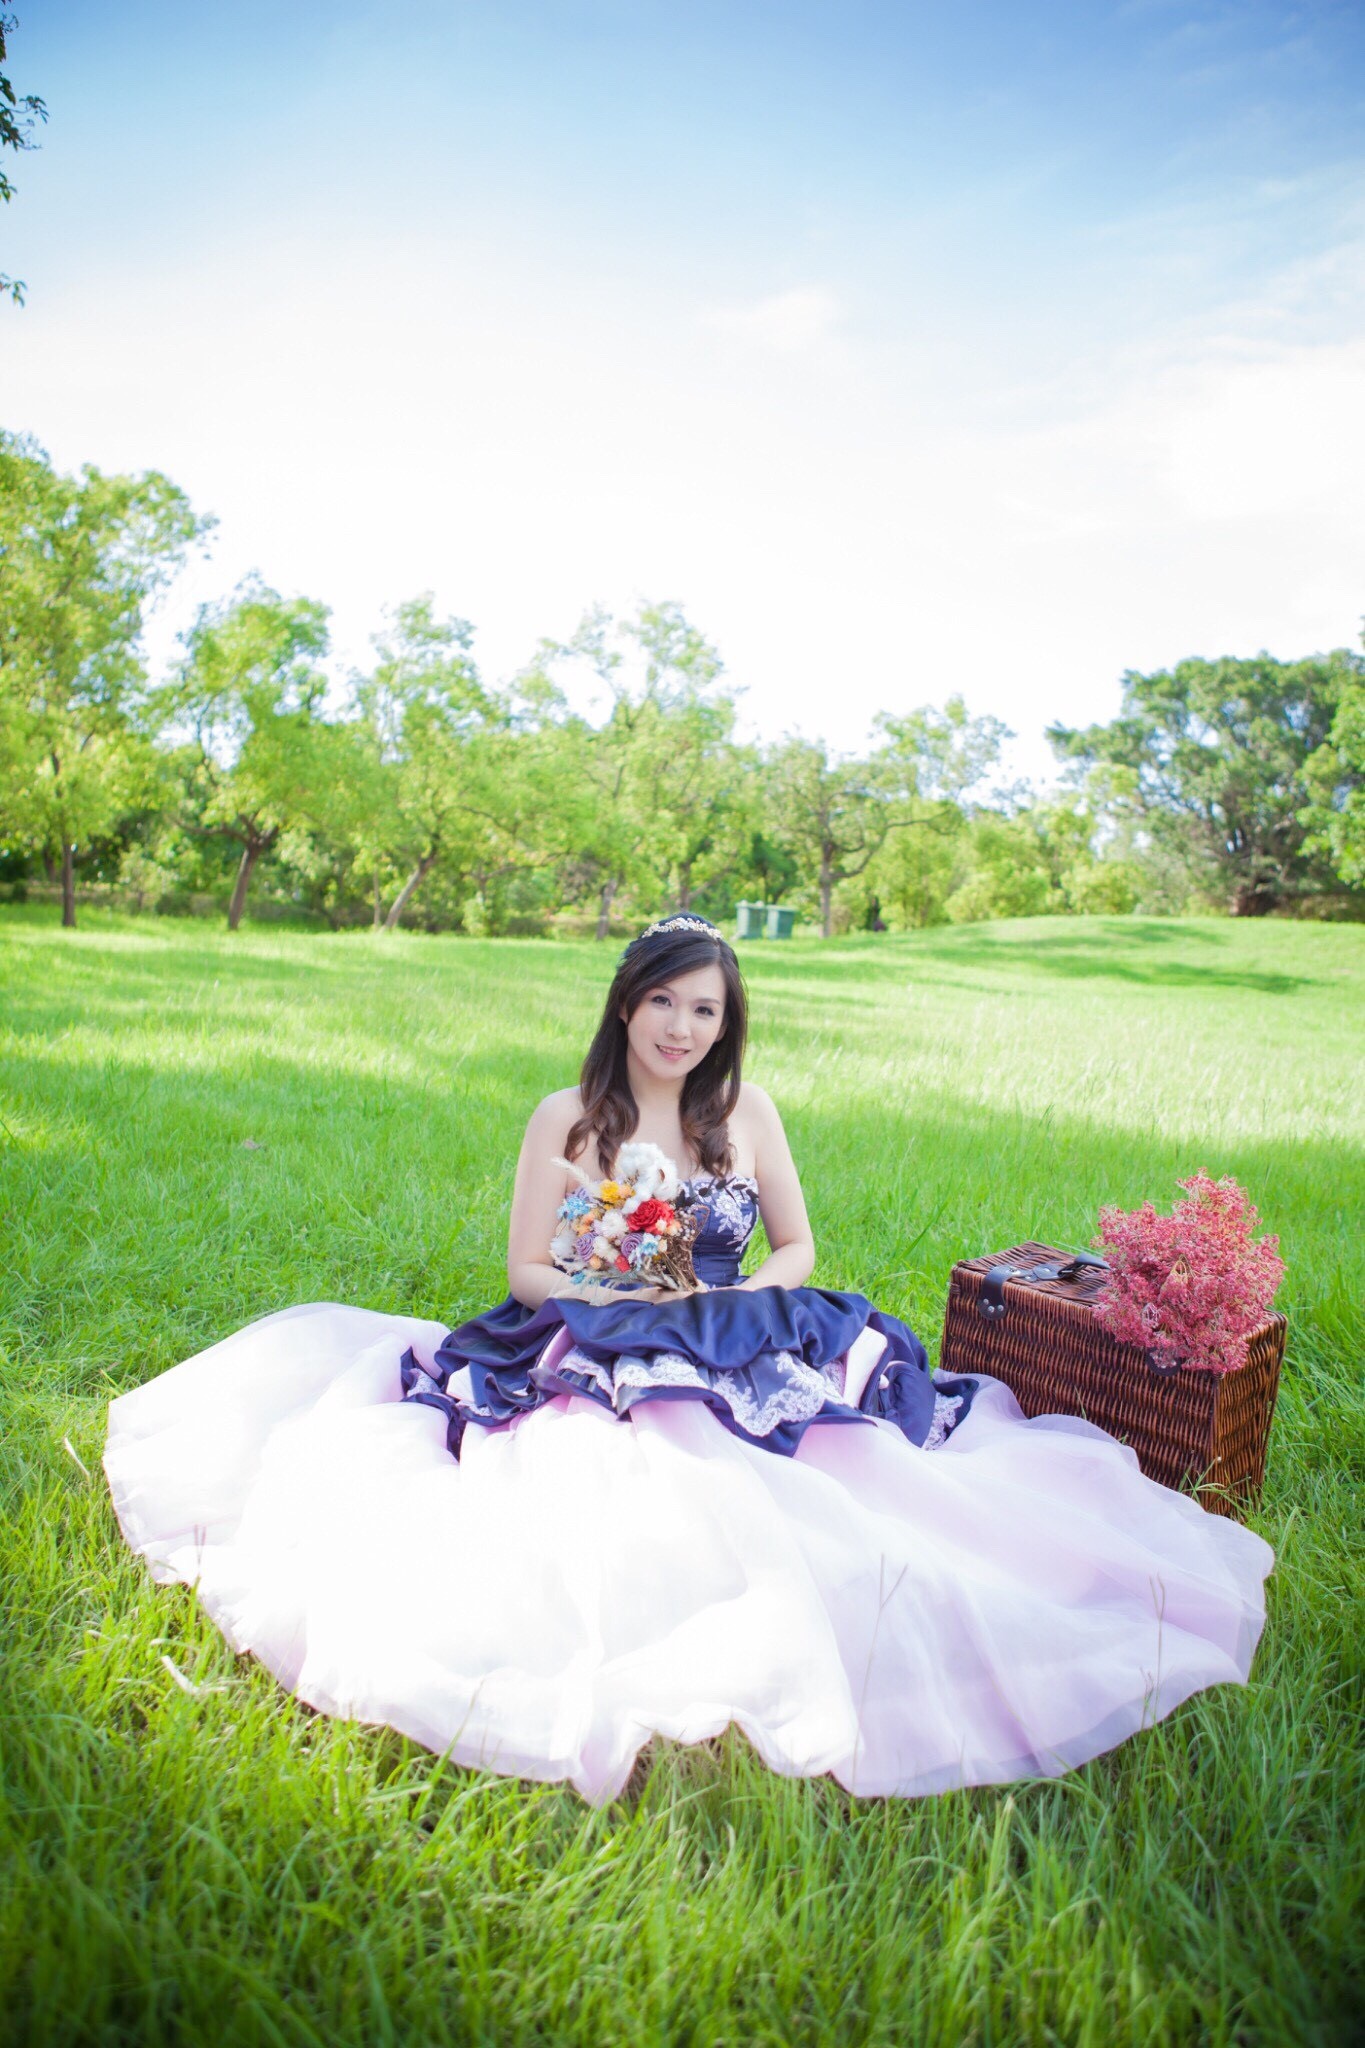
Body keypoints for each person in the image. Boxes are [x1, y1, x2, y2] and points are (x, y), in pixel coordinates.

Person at [104, 914, 1273, 1805]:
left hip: (737, 1324)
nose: (681, 1026)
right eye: (663, 999)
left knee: (853, 1478)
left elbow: (797, 1243)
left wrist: (741, 1296)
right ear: (626, 1003)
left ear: (727, 1020)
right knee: (611, 1476)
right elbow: (527, 1269)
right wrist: (625, 1294)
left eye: (704, 1008)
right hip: (607, 1329)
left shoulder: (747, 1111)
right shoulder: (568, 1114)